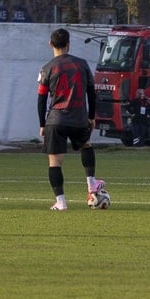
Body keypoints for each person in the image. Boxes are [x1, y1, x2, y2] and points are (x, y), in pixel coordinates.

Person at [38, 26, 105, 211]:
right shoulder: (82, 64)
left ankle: (61, 202)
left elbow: (41, 98)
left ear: (51, 44)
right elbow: (92, 93)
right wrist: (91, 117)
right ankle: (91, 183)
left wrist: (42, 124)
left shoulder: (47, 68)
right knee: (86, 145)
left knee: (55, 162)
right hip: (78, 117)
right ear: (69, 44)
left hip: (56, 120)